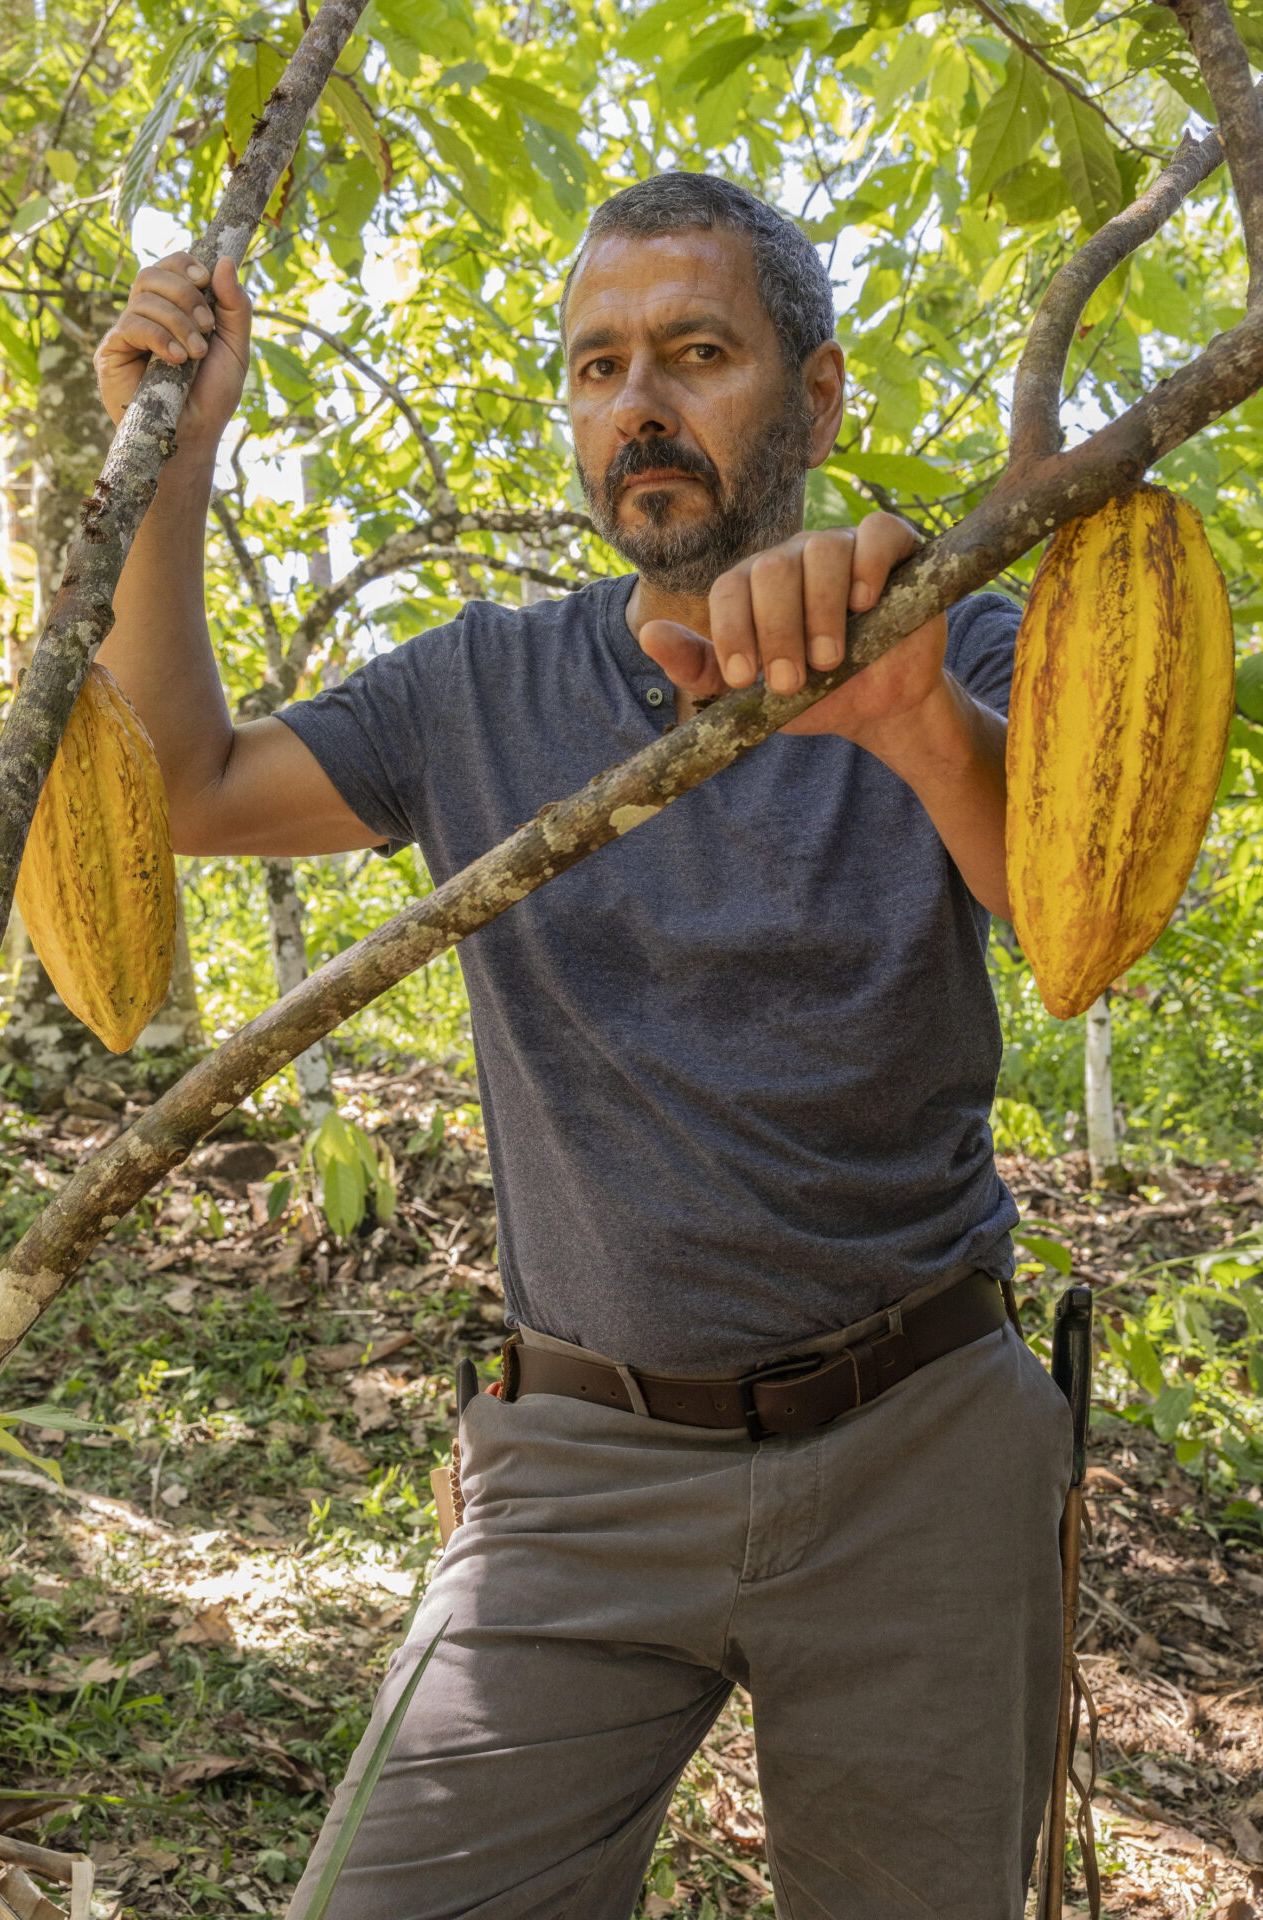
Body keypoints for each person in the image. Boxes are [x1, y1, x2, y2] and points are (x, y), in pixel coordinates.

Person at [94, 171, 1071, 1920]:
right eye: (595, 365)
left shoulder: (958, 625)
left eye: (696, 353)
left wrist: (911, 708)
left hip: (921, 1439)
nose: (638, 407)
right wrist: (174, 468)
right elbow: (179, 789)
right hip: (577, 1467)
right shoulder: (477, 689)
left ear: (817, 395)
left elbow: (1076, 933)